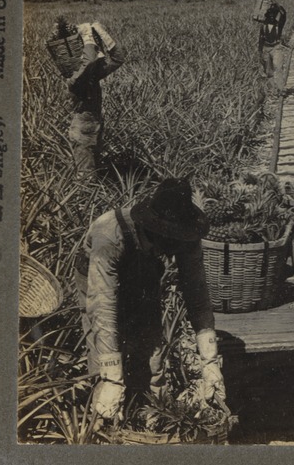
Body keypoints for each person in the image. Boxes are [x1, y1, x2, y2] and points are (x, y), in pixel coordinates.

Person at [82, 178, 225, 423]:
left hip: (143, 277)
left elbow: (197, 295)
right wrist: (111, 377)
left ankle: (153, 417)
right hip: (96, 280)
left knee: (152, 355)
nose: (175, 246)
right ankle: (105, 423)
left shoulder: (185, 236)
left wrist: (210, 361)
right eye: (170, 237)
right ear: (154, 229)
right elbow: (103, 307)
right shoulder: (110, 234)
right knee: (103, 360)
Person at [65, 21, 126, 174]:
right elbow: (90, 60)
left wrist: (100, 31)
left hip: (94, 127)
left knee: (93, 171)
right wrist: (87, 37)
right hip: (82, 132)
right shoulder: (76, 80)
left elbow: (118, 57)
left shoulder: (93, 76)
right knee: (86, 176)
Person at [254, 0, 287, 84]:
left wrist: (278, 5)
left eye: (274, 15)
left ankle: (280, 89)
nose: (272, 17)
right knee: (268, 71)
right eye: (270, 15)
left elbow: (284, 15)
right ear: (266, 16)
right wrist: (260, 51)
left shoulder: (278, 25)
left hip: (276, 48)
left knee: (278, 68)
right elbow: (261, 38)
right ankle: (272, 90)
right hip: (266, 48)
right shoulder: (263, 26)